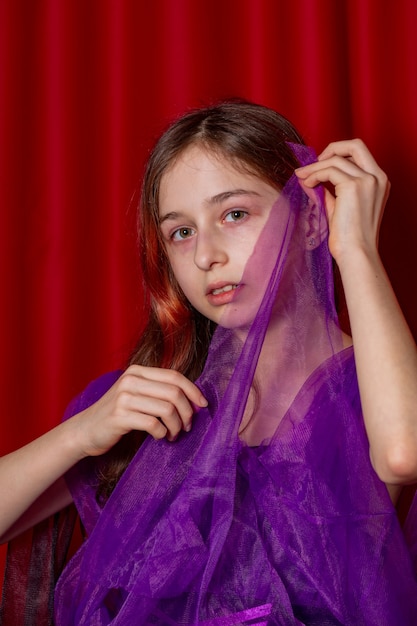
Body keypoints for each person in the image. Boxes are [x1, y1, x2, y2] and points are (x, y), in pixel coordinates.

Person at [1, 99, 417, 625]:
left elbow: (405, 454)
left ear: (311, 219)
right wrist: (81, 434)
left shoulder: (373, 388)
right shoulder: (158, 404)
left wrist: (356, 247)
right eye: (181, 232)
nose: (205, 256)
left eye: (235, 214)